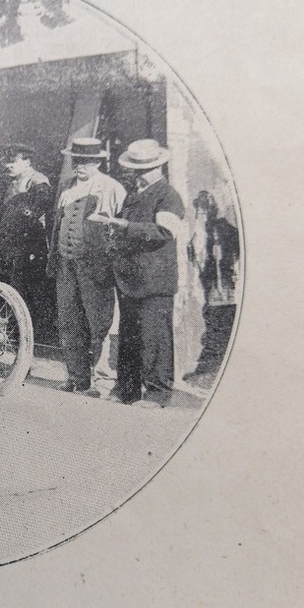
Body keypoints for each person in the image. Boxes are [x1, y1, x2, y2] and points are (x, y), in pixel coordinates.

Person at [104, 138, 185, 407]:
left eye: (145, 169)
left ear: (159, 167)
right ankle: (126, 389)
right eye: (136, 169)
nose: (139, 174)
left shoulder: (168, 195)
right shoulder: (134, 194)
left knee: (155, 338)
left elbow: (165, 232)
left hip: (154, 279)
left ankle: (158, 394)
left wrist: (125, 226)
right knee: (129, 335)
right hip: (131, 278)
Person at [46, 138, 126, 394]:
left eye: (87, 161)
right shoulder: (67, 188)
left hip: (96, 267)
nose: (81, 166)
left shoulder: (111, 188)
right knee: (69, 320)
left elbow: (122, 228)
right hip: (66, 265)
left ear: (98, 162)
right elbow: (57, 225)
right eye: (77, 160)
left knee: (99, 323)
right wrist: (53, 260)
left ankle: (102, 381)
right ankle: (77, 377)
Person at [0, 143, 53, 317]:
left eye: (13, 161)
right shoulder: (9, 182)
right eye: (6, 161)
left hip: (29, 245)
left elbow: (39, 208)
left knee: (27, 288)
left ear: (27, 162)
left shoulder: (38, 182)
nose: (7, 166)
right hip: (9, 244)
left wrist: (20, 214)